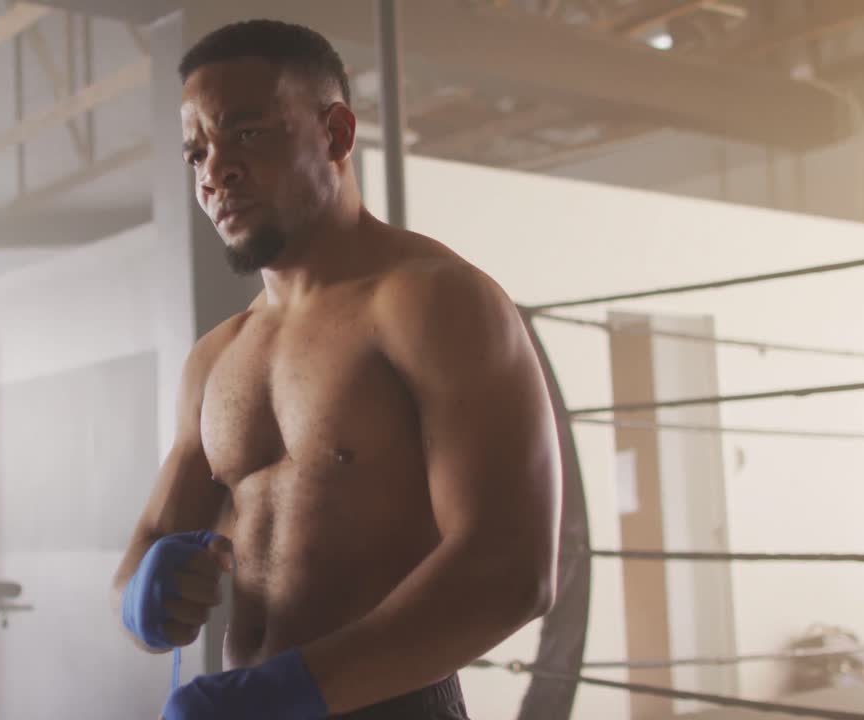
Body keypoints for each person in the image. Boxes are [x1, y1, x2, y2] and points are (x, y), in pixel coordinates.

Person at [111, 19, 562, 720]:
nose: (214, 171)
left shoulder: (433, 301)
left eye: (248, 133)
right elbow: (140, 557)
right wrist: (146, 599)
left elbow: (513, 569)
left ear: (336, 134)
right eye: (197, 151)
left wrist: (289, 692)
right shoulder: (215, 357)